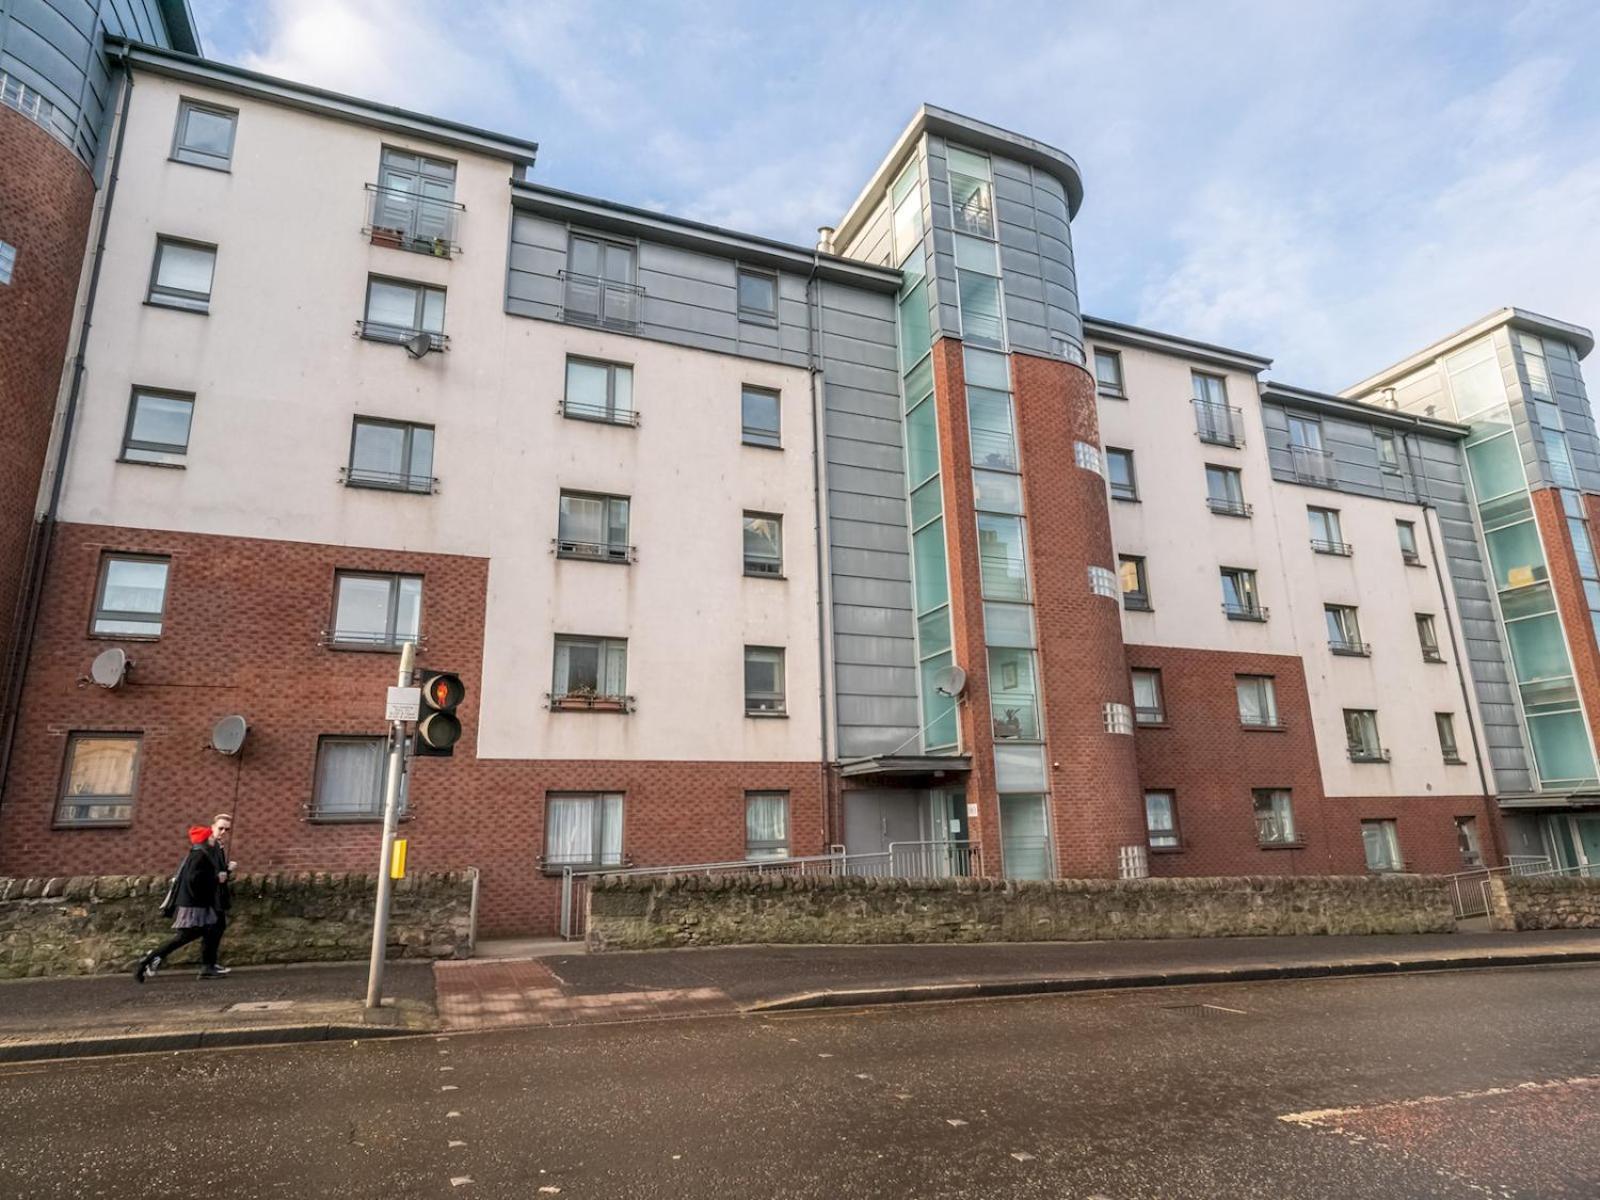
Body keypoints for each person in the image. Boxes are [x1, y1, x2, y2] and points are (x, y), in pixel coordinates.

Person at [134, 813, 236, 982]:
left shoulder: (215, 847)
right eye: (221, 828)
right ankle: (149, 959)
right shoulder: (200, 851)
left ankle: (208, 967)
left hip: (205, 901)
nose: (224, 831)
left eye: (227, 829)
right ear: (212, 827)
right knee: (188, 935)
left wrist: (227, 870)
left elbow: (214, 871)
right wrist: (217, 878)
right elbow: (193, 878)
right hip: (196, 903)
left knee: (214, 928)